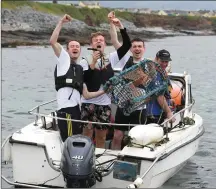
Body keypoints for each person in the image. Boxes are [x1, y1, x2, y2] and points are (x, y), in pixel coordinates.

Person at [79, 14, 131, 148]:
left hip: (105, 105)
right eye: (96, 40)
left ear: (105, 44)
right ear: (91, 44)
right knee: (87, 136)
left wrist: (119, 26)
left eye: (101, 40)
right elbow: (85, 80)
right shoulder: (84, 61)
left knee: (101, 137)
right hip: (87, 104)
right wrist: (93, 63)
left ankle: (99, 160)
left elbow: (127, 46)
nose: (98, 42)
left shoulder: (112, 58)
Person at [50, 14, 104, 142]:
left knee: (77, 140)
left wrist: (105, 90)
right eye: (72, 46)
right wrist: (61, 22)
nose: (75, 48)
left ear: (80, 51)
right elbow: (52, 41)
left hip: (76, 111)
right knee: (69, 141)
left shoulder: (80, 69)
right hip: (66, 111)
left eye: (78, 46)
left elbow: (86, 95)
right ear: (67, 50)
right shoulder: (64, 61)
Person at [107, 11, 147, 150]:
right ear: (131, 49)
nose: (137, 49)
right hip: (123, 105)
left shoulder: (149, 64)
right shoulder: (125, 58)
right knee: (117, 135)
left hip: (140, 107)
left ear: (144, 49)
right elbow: (114, 41)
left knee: (136, 138)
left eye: (139, 46)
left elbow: (146, 83)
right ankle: (112, 159)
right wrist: (113, 23)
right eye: (134, 46)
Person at [146, 49, 176, 124]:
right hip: (153, 114)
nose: (164, 64)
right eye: (162, 61)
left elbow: (166, 91)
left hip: (161, 111)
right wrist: (169, 113)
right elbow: (159, 96)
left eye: (166, 62)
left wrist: (170, 100)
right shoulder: (154, 74)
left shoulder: (162, 72)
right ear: (156, 59)